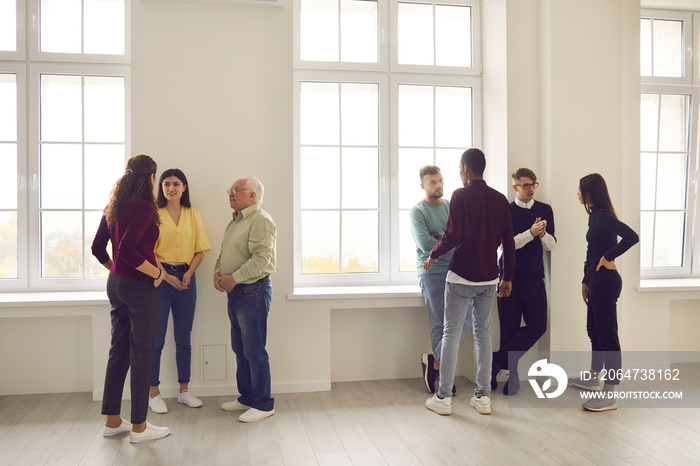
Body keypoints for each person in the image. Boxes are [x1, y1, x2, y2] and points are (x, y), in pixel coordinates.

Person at [424, 148, 515, 416]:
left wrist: (433, 252)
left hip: (461, 275)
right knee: (483, 335)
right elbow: (507, 242)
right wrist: (507, 276)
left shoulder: (460, 195)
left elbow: (453, 236)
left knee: (451, 334)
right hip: (489, 278)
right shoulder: (500, 199)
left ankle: (443, 398)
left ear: (465, 168)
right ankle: (483, 397)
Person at [91, 154, 170, 443]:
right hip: (140, 287)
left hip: (116, 284)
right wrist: (156, 275)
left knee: (119, 350)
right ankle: (139, 427)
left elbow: (99, 248)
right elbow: (128, 251)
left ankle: (113, 421)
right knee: (142, 353)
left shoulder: (113, 205)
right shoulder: (145, 206)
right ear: (151, 178)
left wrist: (117, 271)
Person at [568, 173, 638, 412]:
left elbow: (632, 237)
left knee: (608, 338)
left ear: (589, 192)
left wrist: (609, 257)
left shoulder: (604, 217)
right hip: (596, 279)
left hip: (606, 281)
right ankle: (593, 377)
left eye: (579, 189)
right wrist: (585, 280)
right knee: (594, 331)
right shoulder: (595, 216)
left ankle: (609, 394)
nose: (577, 193)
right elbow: (592, 251)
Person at [148, 169, 211, 414]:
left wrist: (188, 273)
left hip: (186, 279)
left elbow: (201, 249)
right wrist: (166, 276)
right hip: (159, 279)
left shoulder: (192, 214)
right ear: (160, 188)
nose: (171, 188)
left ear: (184, 187)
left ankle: (184, 391)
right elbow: (148, 251)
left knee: (184, 338)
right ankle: (153, 393)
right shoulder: (154, 214)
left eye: (176, 184)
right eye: (166, 184)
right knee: (157, 340)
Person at [215, 176, 277, 423]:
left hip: (252, 292)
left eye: (236, 190)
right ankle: (247, 398)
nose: (231, 194)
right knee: (240, 348)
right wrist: (218, 273)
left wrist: (235, 278)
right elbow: (224, 252)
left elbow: (263, 259)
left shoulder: (260, 220)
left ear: (252, 196)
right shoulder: (235, 222)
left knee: (254, 350)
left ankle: (263, 404)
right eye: (229, 190)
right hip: (236, 292)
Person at [492, 168, 556, 396]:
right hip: (508, 277)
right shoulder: (506, 211)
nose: (530, 189)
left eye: (533, 184)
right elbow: (504, 246)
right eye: (525, 185)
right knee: (508, 328)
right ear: (515, 187)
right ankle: (512, 376)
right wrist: (530, 232)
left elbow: (551, 245)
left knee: (538, 325)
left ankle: (495, 361)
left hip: (534, 277)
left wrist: (541, 234)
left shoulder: (544, 210)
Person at [410, 165, 469, 395]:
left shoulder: (450, 206)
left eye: (441, 180)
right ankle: (445, 375)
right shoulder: (418, 212)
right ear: (423, 185)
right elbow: (426, 245)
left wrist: (439, 239)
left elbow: (462, 237)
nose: (438, 185)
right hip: (431, 272)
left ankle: (435, 364)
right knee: (440, 322)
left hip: (456, 270)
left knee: (466, 318)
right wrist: (446, 240)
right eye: (432, 182)